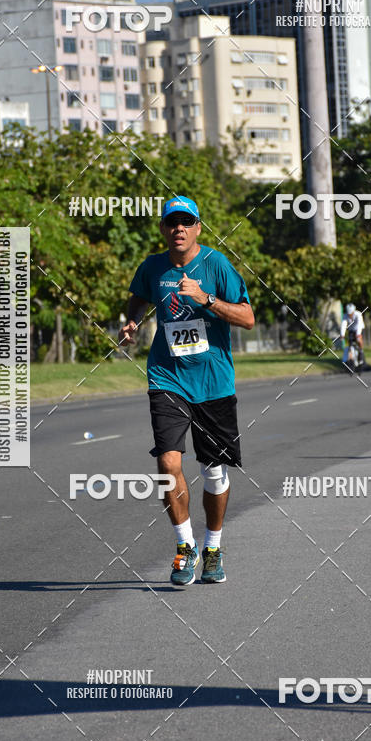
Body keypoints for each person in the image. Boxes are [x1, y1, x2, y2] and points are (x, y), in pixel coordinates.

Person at [118, 196, 254, 586]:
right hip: (167, 377)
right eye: (172, 222)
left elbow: (247, 317)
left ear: (198, 227)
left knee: (213, 472)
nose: (179, 228)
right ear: (163, 228)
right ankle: (184, 547)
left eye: (186, 222)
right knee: (168, 464)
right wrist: (131, 321)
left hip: (213, 382)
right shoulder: (152, 266)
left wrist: (206, 299)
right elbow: (139, 296)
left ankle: (212, 547)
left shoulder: (216, 265)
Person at [340, 303, 365, 369]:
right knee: (350, 344)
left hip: (358, 329)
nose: (350, 315)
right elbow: (343, 325)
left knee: (359, 340)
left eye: (351, 313)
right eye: (349, 314)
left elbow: (359, 325)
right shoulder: (345, 316)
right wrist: (342, 335)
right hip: (351, 330)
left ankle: (361, 351)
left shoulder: (358, 314)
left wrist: (358, 334)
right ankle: (351, 360)